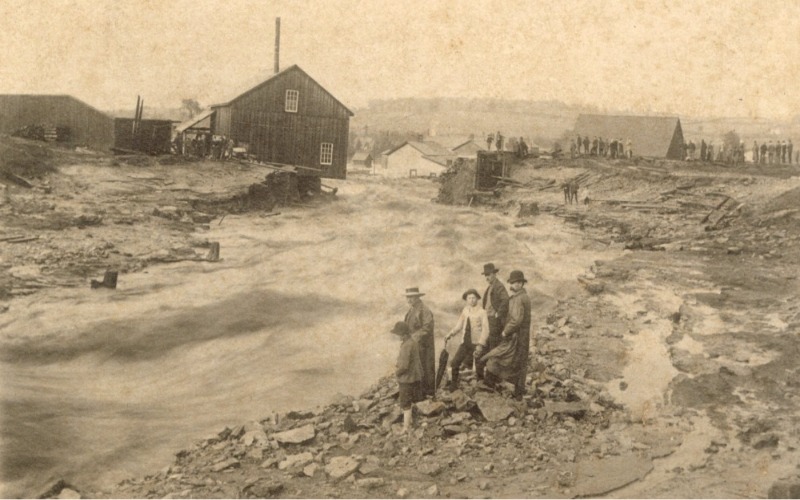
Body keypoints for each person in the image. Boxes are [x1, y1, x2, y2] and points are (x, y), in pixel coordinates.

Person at [480, 270, 532, 399]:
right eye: (513, 283)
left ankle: (515, 392)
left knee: (510, 359)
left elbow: (516, 320)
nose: (515, 285)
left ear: (522, 284)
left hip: (517, 336)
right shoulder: (518, 297)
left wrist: (505, 331)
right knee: (517, 361)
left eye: (518, 283)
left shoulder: (520, 298)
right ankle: (516, 391)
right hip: (519, 336)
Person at [444, 289, 490, 392]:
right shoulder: (465, 310)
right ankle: (453, 385)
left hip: (477, 343)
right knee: (455, 363)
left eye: (474, 298)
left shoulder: (482, 312)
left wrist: (480, 344)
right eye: (469, 298)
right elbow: (459, 325)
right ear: (466, 300)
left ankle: (480, 389)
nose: (472, 300)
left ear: (477, 299)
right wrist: (450, 334)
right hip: (465, 343)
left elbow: (486, 330)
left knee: (479, 367)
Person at [474, 263, 509, 382]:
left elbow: (505, 301)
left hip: (494, 323)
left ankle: (491, 380)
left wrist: (498, 313)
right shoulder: (490, 287)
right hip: (488, 322)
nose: (487, 277)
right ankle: (481, 378)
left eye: (488, 275)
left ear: (494, 274)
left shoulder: (499, 286)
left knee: (493, 349)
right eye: (485, 275)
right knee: (484, 347)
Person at [403, 287, 435, 398]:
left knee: (424, 368)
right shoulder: (412, 310)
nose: (409, 299)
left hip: (423, 345)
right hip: (414, 344)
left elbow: (427, 327)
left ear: (417, 297)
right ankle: (417, 393)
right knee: (415, 368)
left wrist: (414, 337)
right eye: (408, 297)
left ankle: (427, 393)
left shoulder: (424, 310)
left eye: (411, 297)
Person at [391, 322, 422, 433]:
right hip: (414, 377)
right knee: (409, 401)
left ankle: (406, 428)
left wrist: (397, 373)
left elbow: (404, 366)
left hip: (407, 379)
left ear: (403, 334)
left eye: (398, 334)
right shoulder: (412, 342)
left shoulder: (406, 346)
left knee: (405, 403)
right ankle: (411, 422)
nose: (398, 336)